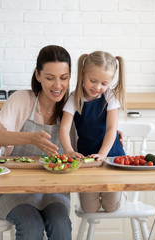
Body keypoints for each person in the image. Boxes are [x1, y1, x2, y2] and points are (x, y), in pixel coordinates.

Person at [0, 45, 73, 240]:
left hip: (52, 190)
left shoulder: (70, 107)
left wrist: (112, 133)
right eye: (50, 78)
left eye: (63, 78)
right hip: (12, 189)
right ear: (38, 75)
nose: (57, 86)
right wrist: (29, 138)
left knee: (61, 224)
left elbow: (94, 132)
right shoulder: (22, 100)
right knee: (31, 226)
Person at [59, 51, 127, 213]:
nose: (97, 87)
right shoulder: (74, 98)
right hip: (87, 159)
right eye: (93, 81)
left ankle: (121, 192)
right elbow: (64, 127)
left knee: (112, 207)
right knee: (89, 209)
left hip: (111, 156)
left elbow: (111, 129)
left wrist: (103, 154)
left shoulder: (110, 96)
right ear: (83, 74)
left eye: (104, 83)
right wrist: (69, 150)